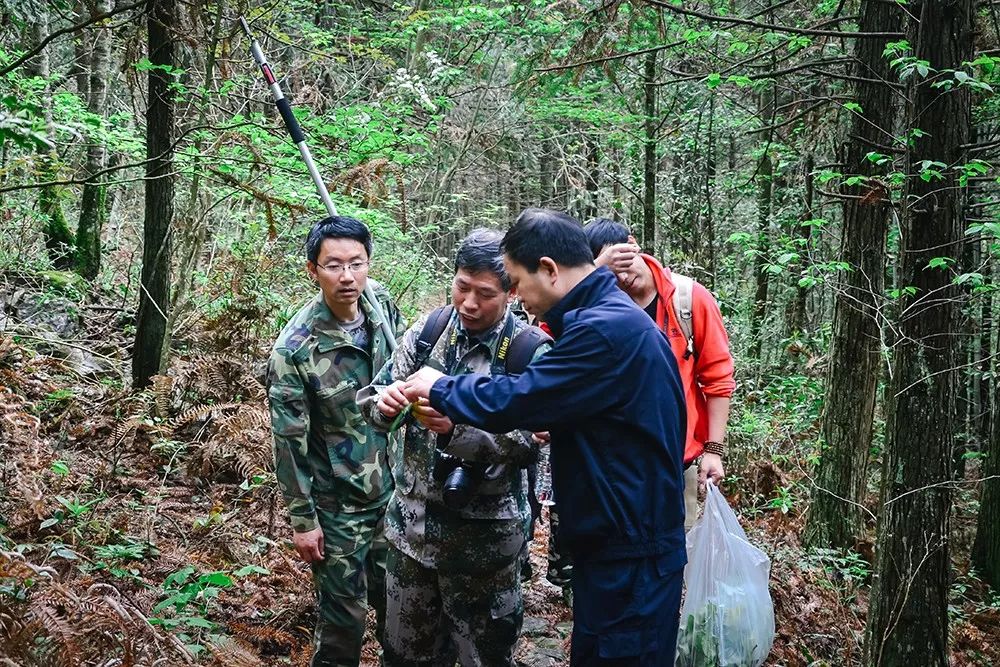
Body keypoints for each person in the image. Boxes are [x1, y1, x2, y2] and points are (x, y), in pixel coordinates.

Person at [402, 208, 688, 666]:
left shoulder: (605, 331)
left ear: (550, 270)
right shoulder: (604, 318)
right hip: (614, 540)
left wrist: (438, 386)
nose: (515, 297)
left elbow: (521, 399)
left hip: (632, 548)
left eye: (515, 282)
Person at [356, 228, 551, 667]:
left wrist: (456, 431)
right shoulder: (430, 331)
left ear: (511, 293)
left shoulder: (527, 352)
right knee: (404, 656)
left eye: (484, 293)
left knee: (484, 658)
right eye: (462, 287)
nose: (469, 303)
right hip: (411, 536)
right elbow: (374, 394)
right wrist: (383, 405)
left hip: (485, 548)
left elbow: (532, 442)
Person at [266, 215, 405, 667]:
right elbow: (289, 442)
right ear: (313, 270)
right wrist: (303, 520)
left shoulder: (381, 308)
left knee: (402, 615)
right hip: (338, 505)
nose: (347, 277)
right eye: (333, 266)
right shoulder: (295, 349)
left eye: (356, 263)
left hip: (394, 492)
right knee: (344, 623)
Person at [584, 218, 735, 530]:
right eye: (610, 272)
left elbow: (718, 379)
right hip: (613, 466)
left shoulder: (689, 299)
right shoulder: (598, 306)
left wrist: (714, 451)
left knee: (674, 559)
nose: (623, 278)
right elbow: (550, 333)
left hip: (676, 463)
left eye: (624, 262)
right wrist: (592, 275)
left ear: (634, 243)